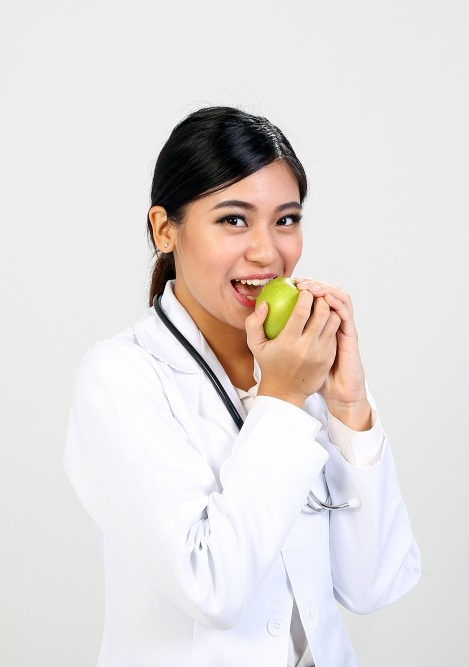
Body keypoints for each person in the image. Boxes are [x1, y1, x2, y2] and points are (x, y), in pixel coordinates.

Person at [64, 107, 420, 667]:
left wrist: (349, 406)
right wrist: (283, 398)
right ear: (165, 229)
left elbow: (374, 584)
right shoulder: (120, 378)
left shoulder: (305, 366)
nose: (267, 252)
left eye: (286, 220)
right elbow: (212, 589)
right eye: (234, 219)